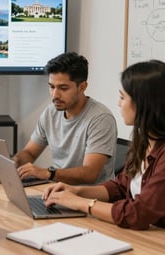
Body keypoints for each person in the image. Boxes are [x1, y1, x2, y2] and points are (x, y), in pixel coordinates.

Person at [43, 60, 165, 230]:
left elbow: (138, 213)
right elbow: (120, 187)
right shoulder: (144, 141)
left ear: (144, 103)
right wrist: (76, 191)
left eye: (123, 97)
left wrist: (81, 203)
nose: (118, 103)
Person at [14, 52, 117, 185]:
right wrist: (14, 162)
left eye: (63, 88)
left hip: (91, 198)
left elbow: (90, 173)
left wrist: (48, 173)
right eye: (51, 87)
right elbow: (30, 153)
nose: (55, 95)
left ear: (82, 87)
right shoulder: (50, 112)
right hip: (59, 191)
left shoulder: (101, 118)